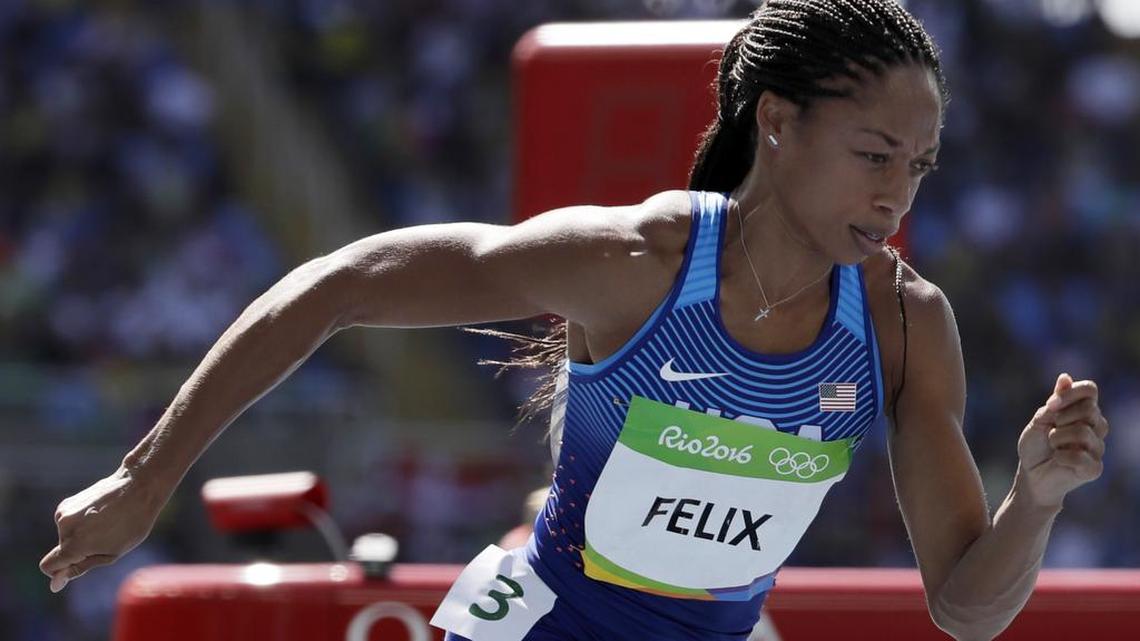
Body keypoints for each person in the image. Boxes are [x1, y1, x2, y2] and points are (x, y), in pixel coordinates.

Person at [41, 1, 1110, 640]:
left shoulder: (906, 323)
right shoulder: (636, 263)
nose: (896, 195)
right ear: (777, 121)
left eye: (919, 167)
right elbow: (343, 280)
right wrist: (145, 477)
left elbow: (966, 610)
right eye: (874, 155)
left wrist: (1036, 498)